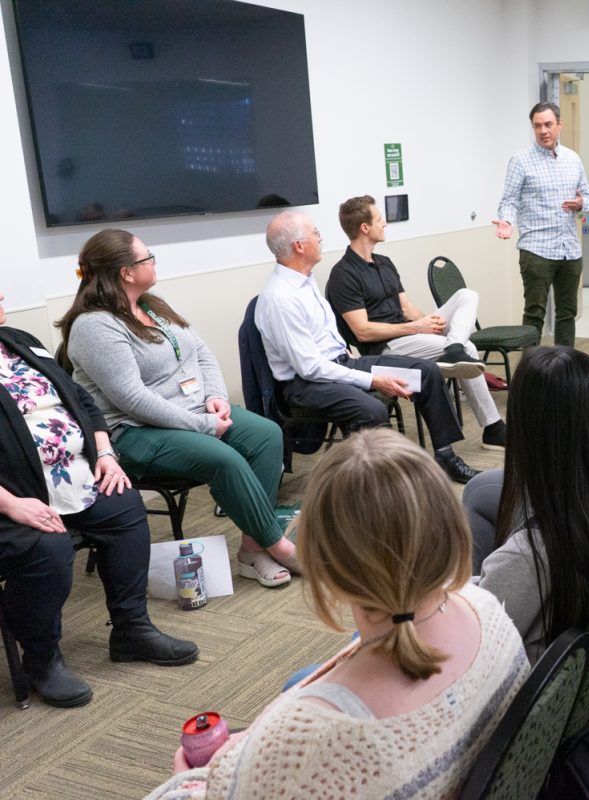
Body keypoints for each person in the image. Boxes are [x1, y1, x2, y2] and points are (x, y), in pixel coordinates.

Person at [147, 430, 528, 799]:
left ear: (325, 566)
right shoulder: (487, 608)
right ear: (447, 524)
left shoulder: (312, 734)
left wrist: (189, 782)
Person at [58, 229, 298, 587]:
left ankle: (251, 548)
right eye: (147, 257)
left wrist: (214, 396)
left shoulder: (151, 305)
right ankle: (279, 546)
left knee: (266, 434)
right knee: (224, 458)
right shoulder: (95, 326)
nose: (154, 261)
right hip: (134, 431)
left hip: (194, 411)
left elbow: (200, 352)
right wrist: (202, 424)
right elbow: (133, 400)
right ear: (126, 272)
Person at [0, 290, 197, 708]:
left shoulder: (16, 338)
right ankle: (41, 658)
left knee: (123, 506)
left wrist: (105, 453)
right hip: (11, 496)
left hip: (71, 475)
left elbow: (81, 400)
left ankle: (130, 628)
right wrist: (11, 504)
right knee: (46, 548)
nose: (2, 293)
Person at [466, 347, 589, 661]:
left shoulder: (525, 556)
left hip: (517, 680)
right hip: (581, 650)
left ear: (524, 425)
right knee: (480, 491)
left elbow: (475, 644)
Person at [254, 211, 478, 483]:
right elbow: (310, 368)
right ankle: (377, 487)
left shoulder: (305, 280)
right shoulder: (280, 298)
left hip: (339, 364)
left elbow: (325, 339)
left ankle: (446, 457)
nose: (320, 237)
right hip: (305, 386)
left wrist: (353, 360)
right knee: (371, 410)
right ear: (299, 246)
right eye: (315, 233)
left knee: (426, 372)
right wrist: (373, 379)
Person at [325, 195, 505, 450]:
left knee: (467, 296)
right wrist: (417, 328)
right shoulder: (343, 274)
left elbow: (407, 308)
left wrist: (430, 322)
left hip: (411, 335)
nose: (384, 223)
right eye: (379, 219)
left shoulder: (384, 263)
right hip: (386, 349)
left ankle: (453, 346)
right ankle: (493, 429)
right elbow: (362, 332)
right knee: (470, 350)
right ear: (364, 228)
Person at [492, 101, 589, 347]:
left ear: (559, 125)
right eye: (537, 126)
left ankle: (563, 368)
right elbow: (509, 200)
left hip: (569, 249)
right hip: (536, 250)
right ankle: (532, 372)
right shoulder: (521, 160)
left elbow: (587, 197)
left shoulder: (573, 159)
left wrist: (580, 204)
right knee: (534, 313)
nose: (543, 130)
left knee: (567, 313)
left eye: (548, 124)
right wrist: (506, 221)